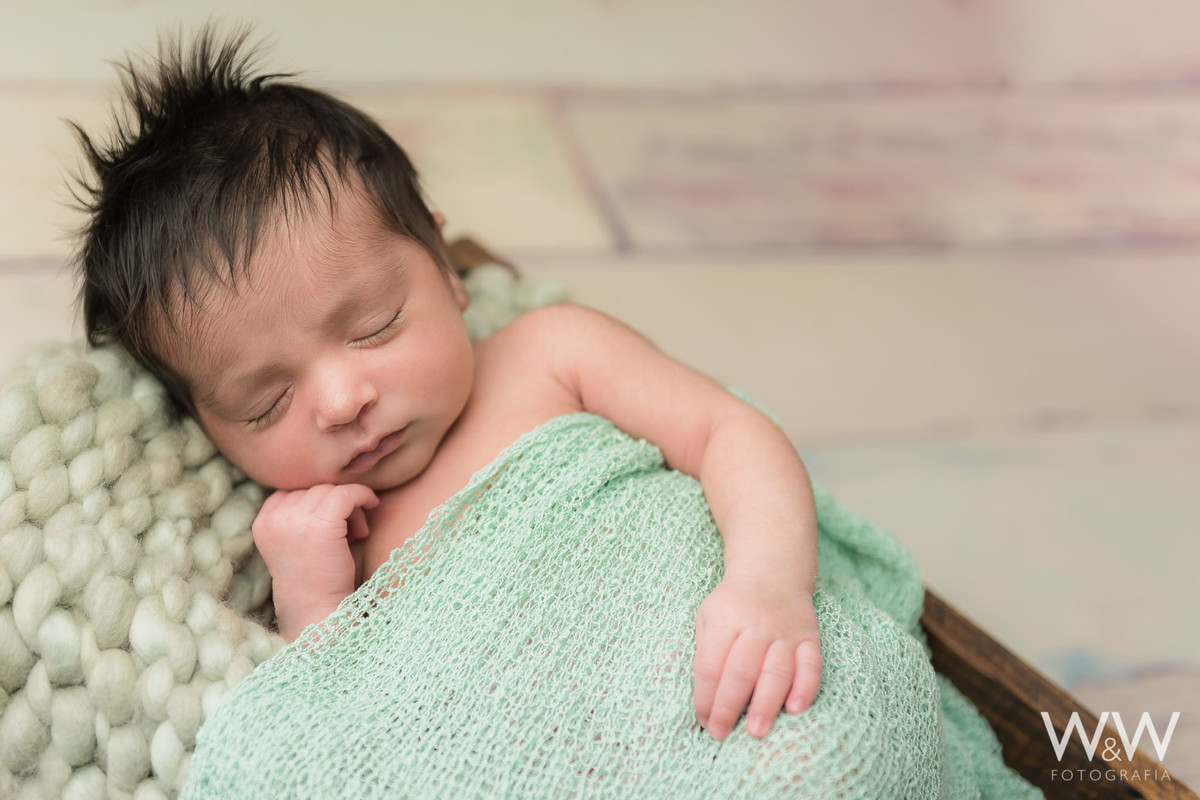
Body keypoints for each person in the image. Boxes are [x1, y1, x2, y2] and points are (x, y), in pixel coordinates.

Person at [70, 25, 823, 747]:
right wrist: (312, 603)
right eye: (265, 404)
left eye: (373, 326)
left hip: (724, 661)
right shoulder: (331, 539)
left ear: (443, 263)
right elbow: (349, 728)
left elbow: (729, 430)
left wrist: (768, 585)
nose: (341, 402)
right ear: (207, 427)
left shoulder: (551, 351)